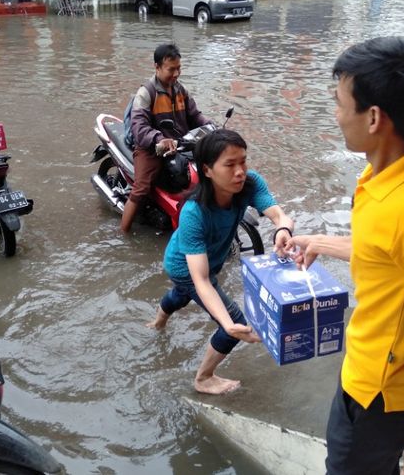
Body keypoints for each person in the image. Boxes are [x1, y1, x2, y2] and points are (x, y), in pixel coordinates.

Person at [286, 36, 404, 475]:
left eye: (339, 103)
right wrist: (318, 242)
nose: (335, 116)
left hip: (382, 395)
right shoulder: (385, 174)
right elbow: (389, 256)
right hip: (364, 367)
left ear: (374, 117)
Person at [147, 129, 294, 395]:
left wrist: (283, 229)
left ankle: (158, 321)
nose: (240, 171)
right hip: (184, 267)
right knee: (232, 322)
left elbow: (277, 213)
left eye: (243, 161)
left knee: (181, 297)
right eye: (229, 164)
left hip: (209, 261)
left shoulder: (249, 184)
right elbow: (201, 280)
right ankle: (203, 378)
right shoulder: (193, 213)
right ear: (207, 170)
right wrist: (227, 323)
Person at [121, 43, 212, 233]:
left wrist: (211, 127)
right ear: (157, 67)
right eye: (172, 69)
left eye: (179, 68)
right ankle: (123, 233)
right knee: (141, 189)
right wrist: (159, 139)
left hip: (180, 144)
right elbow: (140, 128)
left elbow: (195, 116)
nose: (176, 73)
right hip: (151, 148)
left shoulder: (180, 90)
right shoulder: (146, 93)